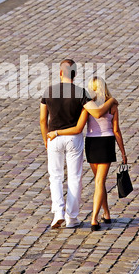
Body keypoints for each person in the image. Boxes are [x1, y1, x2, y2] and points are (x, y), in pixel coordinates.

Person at [40, 60, 118, 229]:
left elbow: (42, 119)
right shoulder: (80, 92)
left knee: (55, 177)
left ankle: (58, 213)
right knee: (75, 177)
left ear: (60, 73)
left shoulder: (49, 92)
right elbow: (96, 112)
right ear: (74, 75)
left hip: (53, 137)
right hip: (73, 138)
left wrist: (46, 139)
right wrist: (111, 101)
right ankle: (72, 218)